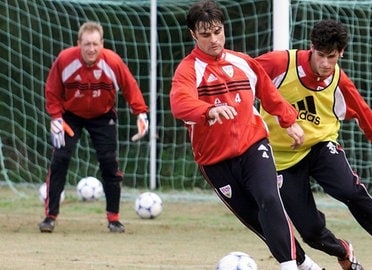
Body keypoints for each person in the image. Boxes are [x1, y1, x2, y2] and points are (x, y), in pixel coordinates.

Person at [169, 1, 336, 269]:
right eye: (206, 34)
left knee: (270, 199)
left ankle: (289, 266)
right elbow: (179, 103)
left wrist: (289, 120)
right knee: (258, 220)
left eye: (218, 31)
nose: (214, 40)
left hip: (253, 146)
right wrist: (208, 111)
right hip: (214, 162)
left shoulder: (243, 63)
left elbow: (269, 93)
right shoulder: (188, 71)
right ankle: (305, 265)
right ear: (193, 35)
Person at [256, 20, 372, 270]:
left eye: (332, 57)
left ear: (341, 53)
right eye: (321, 55)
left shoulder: (338, 80)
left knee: (351, 191)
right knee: (311, 232)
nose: (325, 64)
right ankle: (343, 251)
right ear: (311, 47)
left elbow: (362, 110)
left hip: (321, 147)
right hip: (282, 159)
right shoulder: (280, 64)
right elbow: (243, 74)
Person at [39, 21, 149, 233]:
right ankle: (50, 217)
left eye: (95, 44)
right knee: (59, 159)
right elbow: (52, 89)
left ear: (102, 44)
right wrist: (55, 117)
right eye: (87, 44)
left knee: (109, 163)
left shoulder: (113, 62)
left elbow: (130, 86)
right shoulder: (65, 59)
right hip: (70, 116)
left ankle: (114, 218)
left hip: (103, 115)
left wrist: (141, 113)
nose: (91, 49)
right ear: (78, 43)